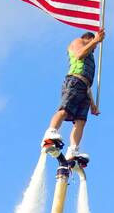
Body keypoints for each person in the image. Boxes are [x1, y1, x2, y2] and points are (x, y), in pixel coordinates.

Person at [42, 27, 105, 163]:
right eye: (92, 46)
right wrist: (96, 41)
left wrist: (93, 104)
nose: (92, 50)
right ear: (88, 38)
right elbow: (79, 55)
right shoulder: (78, 41)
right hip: (74, 82)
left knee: (81, 121)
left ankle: (73, 150)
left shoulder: (91, 55)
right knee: (64, 110)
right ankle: (50, 132)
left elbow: (88, 84)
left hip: (85, 88)